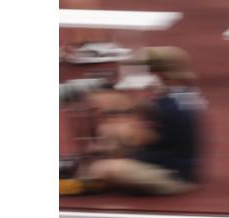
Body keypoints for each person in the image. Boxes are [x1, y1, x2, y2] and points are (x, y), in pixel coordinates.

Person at [82, 47, 207, 195]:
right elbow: (159, 115)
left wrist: (113, 116)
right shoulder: (185, 95)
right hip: (184, 166)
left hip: (172, 177)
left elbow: (135, 140)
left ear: (159, 75)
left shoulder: (166, 107)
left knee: (102, 168)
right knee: (115, 140)